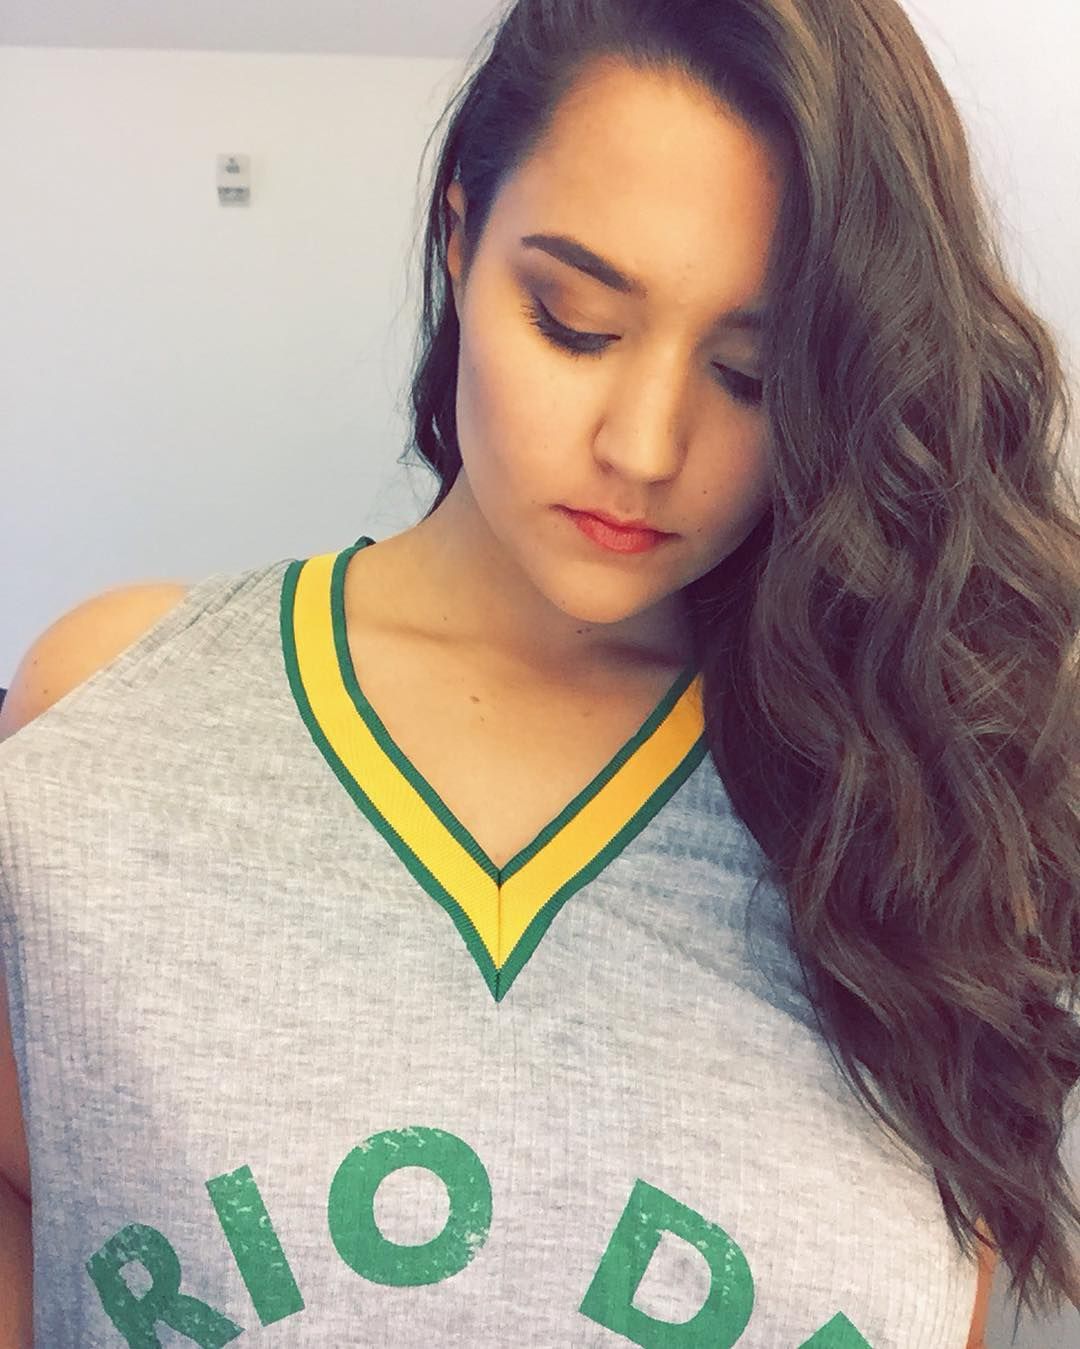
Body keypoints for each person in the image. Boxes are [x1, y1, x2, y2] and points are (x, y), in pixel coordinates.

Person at [2, 0, 1079, 1344]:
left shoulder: (928, 823)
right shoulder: (116, 719)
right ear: (460, 239)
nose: (644, 445)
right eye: (574, 322)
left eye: (753, 374)